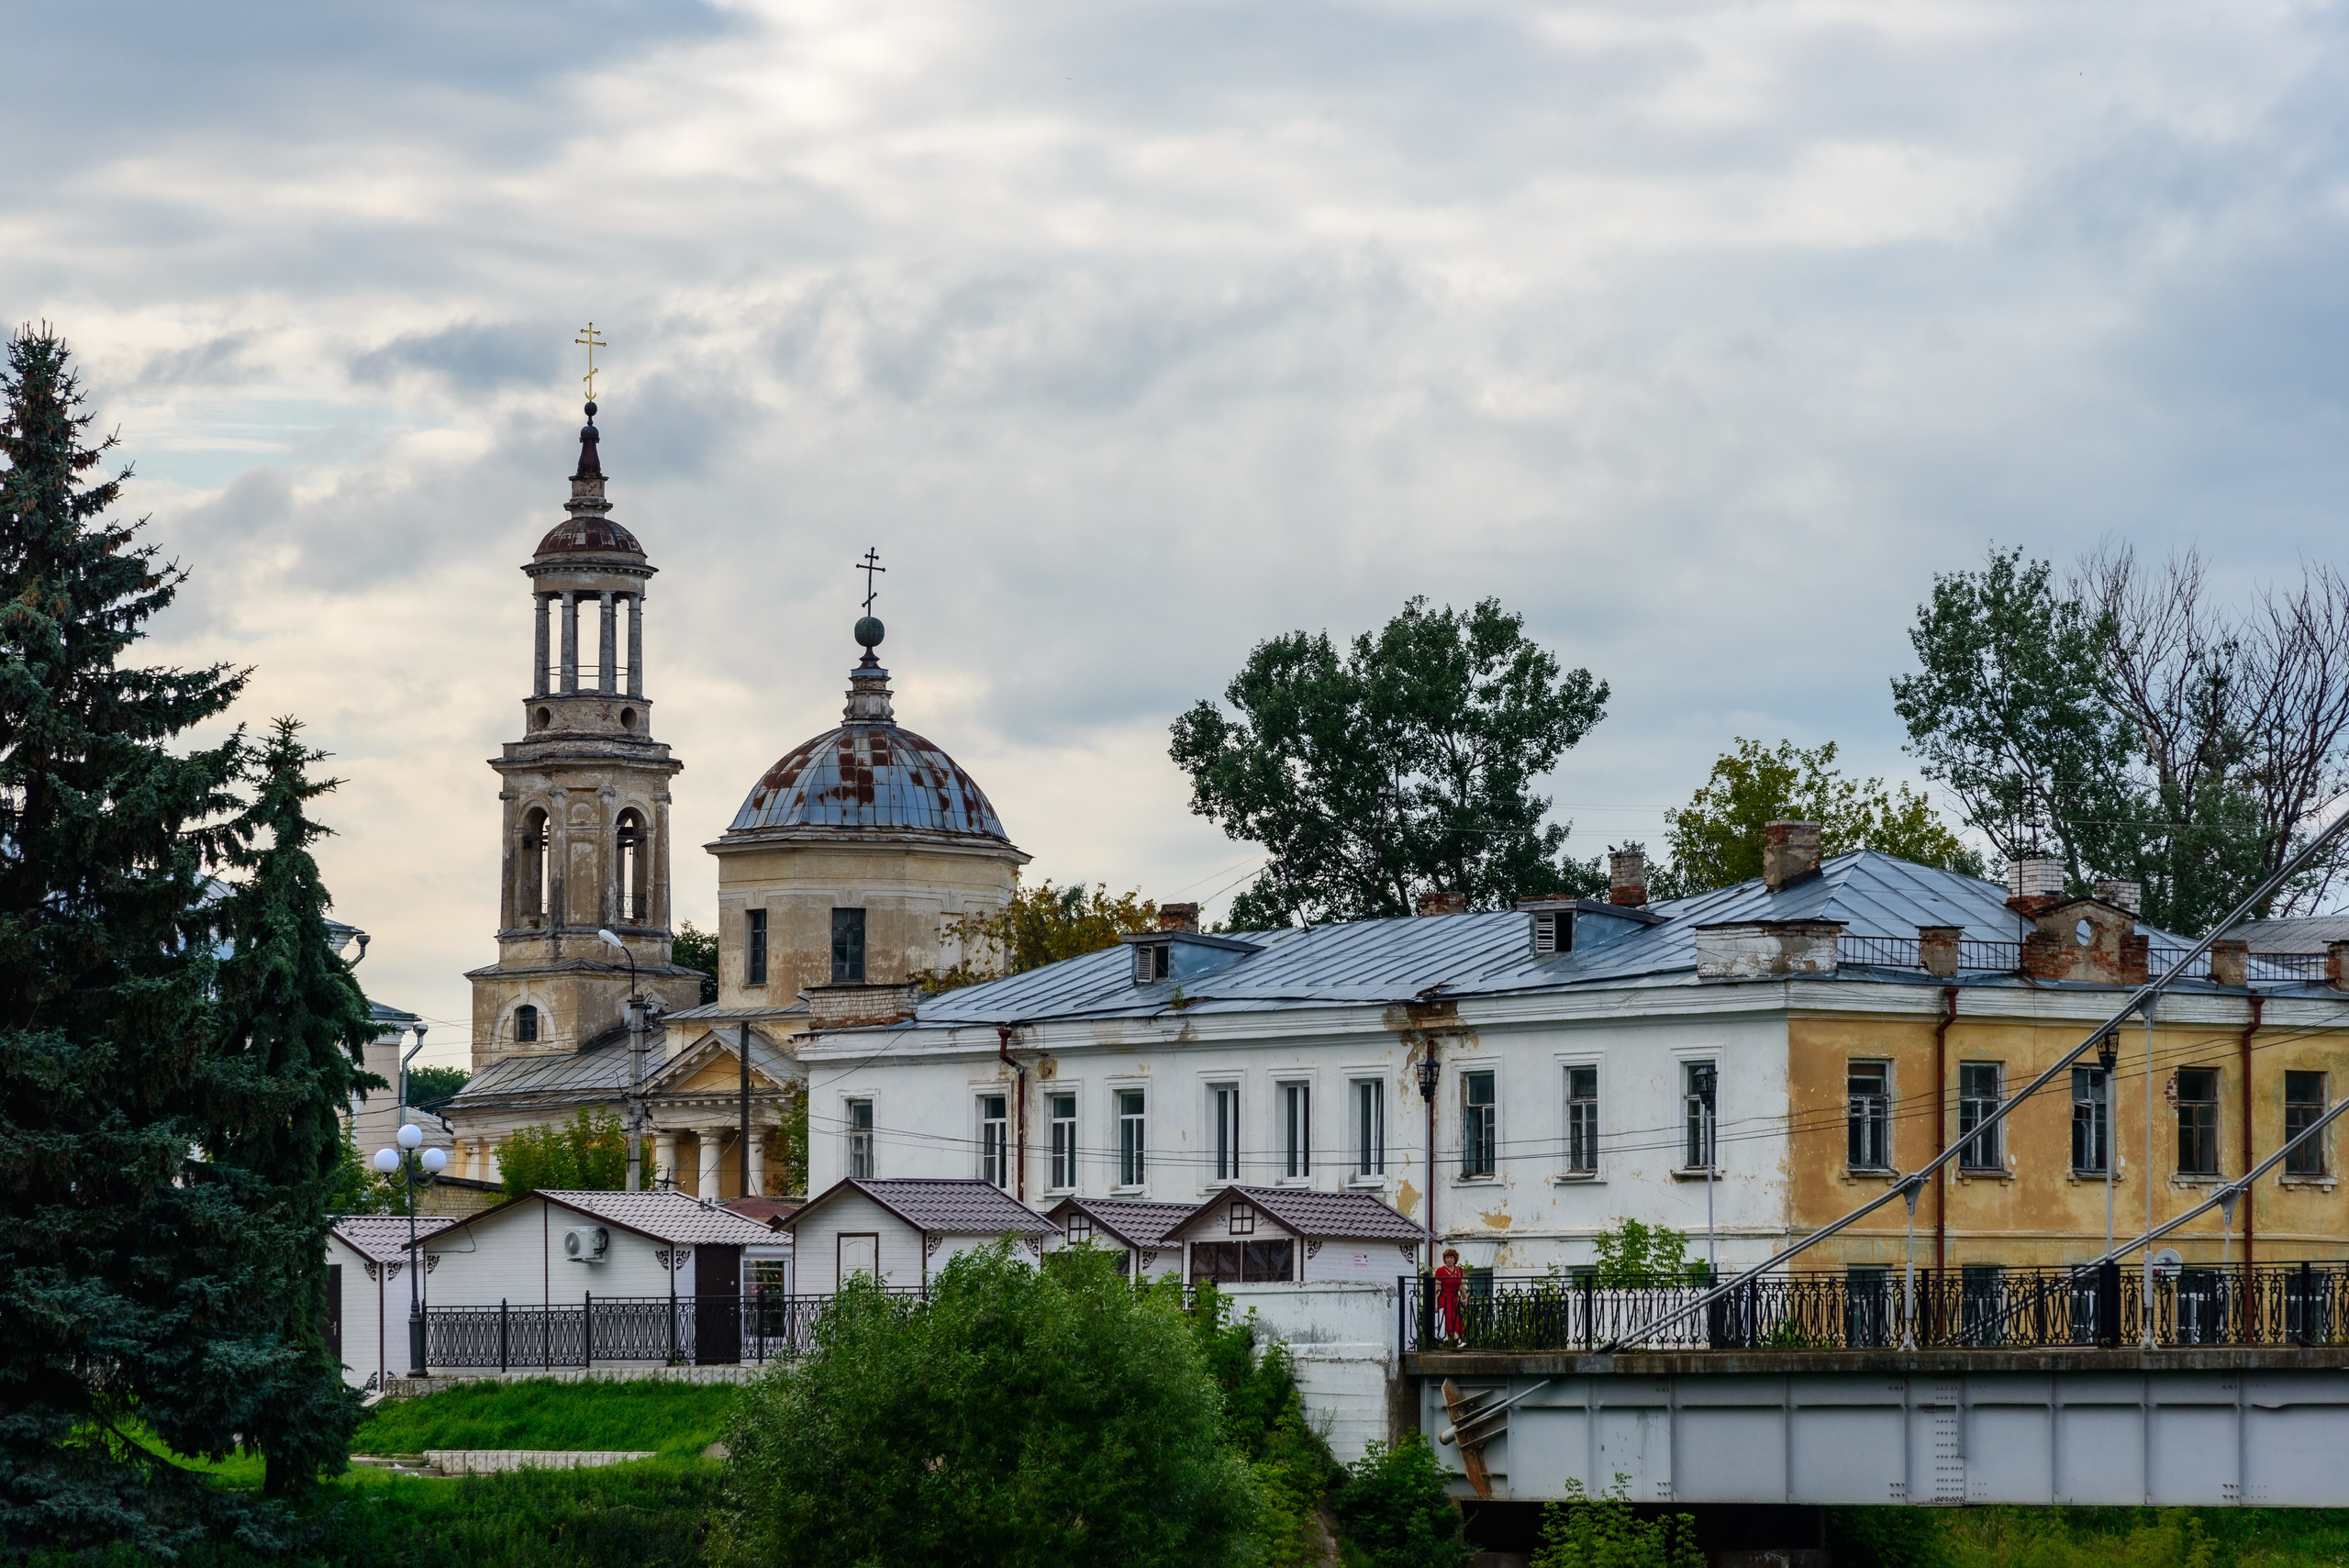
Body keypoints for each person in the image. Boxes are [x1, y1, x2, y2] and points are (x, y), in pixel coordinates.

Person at [1433, 1247, 1466, 1344]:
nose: (1449, 1259)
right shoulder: (1440, 1270)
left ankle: (1448, 1342)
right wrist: (1436, 1302)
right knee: (1450, 1319)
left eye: (1451, 1257)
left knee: (1455, 1318)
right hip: (1444, 1298)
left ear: (1455, 1259)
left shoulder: (1459, 1270)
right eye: (1447, 1257)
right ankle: (1458, 1341)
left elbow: (1461, 1285)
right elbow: (1437, 1287)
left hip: (1454, 1299)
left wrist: (1465, 1297)